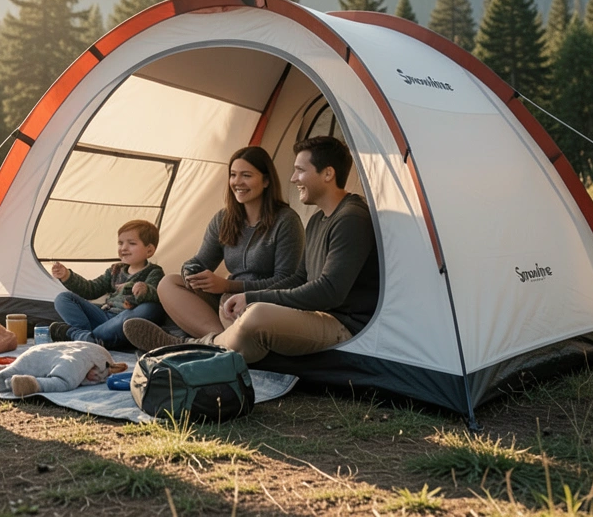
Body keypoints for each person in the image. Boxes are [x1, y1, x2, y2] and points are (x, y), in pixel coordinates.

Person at [124, 136, 378, 364]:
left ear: (328, 174)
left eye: (300, 170)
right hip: (280, 309)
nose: (293, 178)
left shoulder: (350, 218)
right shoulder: (317, 219)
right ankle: (215, 342)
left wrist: (250, 296)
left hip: (341, 323)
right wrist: (195, 274)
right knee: (172, 284)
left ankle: (189, 347)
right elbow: (301, 278)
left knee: (256, 315)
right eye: (233, 175)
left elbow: (329, 292)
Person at [157, 146, 304, 338]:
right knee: (168, 283)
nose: (237, 182)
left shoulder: (286, 221)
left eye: (246, 175)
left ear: (266, 180)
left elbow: (286, 282)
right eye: (233, 175)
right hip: (228, 300)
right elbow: (200, 261)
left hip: (263, 303)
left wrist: (228, 286)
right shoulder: (224, 219)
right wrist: (190, 273)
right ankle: (219, 340)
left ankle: (201, 341)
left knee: (245, 311)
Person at [47, 219, 166, 350]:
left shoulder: (154, 272)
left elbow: (157, 295)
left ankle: (82, 337)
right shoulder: (115, 270)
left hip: (125, 319)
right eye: (120, 243)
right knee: (63, 298)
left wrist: (144, 290)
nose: (124, 248)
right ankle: (87, 337)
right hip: (104, 317)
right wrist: (67, 276)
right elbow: (91, 290)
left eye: (131, 243)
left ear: (149, 250)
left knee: (151, 308)